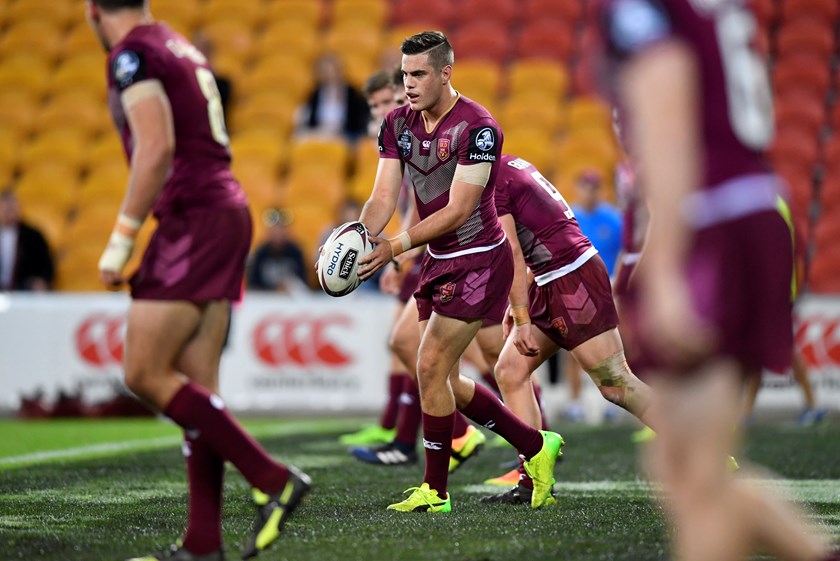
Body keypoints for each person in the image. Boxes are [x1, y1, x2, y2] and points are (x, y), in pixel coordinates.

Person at [598, 1, 837, 560]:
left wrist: (665, 271)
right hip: (742, 209)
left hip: (711, 219)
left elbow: (668, 117)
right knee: (682, 464)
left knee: (697, 475)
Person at [86, 2, 309, 560]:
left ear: (93, 10)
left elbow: (156, 147)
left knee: (143, 371)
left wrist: (122, 238)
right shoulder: (178, 45)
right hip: (225, 210)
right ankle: (203, 544)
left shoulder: (133, 54)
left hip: (193, 217)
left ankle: (273, 478)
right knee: (198, 390)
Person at [355, 31, 563, 512]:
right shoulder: (396, 124)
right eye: (405, 74)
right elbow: (383, 197)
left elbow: (459, 208)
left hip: (478, 258)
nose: (408, 84)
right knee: (442, 378)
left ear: (446, 73)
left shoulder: (478, 126)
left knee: (429, 364)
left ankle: (436, 491)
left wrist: (395, 248)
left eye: (419, 74)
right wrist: (358, 238)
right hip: (436, 258)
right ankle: (535, 445)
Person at [478, 155, 658, 504]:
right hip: (550, 278)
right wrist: (521, 303)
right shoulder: (512, 166)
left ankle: (704, 451)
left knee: (616, 384)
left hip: (571, 279)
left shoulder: (492, 179)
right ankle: (532, 481)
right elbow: (540, 235)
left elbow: (512, 250)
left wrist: (521, 314)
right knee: (511, 371)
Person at [345, 68, 489, 466]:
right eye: (375, 105)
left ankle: (511, 435)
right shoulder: (402, 134)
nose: (383, 110)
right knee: (419, 350)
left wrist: (399, 252)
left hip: (460, 251)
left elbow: (439, 207)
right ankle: (427, 438)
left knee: (491, 358)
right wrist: (367, 239)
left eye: (388, 101)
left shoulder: (439, 130)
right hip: (429, 249)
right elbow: (401, 201)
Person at [565, 169, 623, 420]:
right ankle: (575, 402)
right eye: (585, 187)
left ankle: (616, 401)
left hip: (608, 286)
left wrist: (618, 283)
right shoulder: (570, 217)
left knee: (613, 347)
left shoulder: (614, 219)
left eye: (594, 187)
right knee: (573, 347)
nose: (590, 192)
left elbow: (625, 252)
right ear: (578, 188)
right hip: (578, 288)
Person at [295, 53, 370, 142]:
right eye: (325, 72)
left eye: (333, 71)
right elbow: (309, 120)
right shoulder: (315, 94)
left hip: (346, 134)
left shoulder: (353, 94)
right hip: (320, 133)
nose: (330, 75)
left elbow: (360, 121)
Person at [0, 190, 55, 292]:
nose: (9, 212)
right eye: (6, 208)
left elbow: (46, 267)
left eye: (12, 208)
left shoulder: (33, 236)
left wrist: (40, 281)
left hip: (23, 289)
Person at [247, 208, 308, 293]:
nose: (278, 233)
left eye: (282, 229)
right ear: (268, 231)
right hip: (266, 298)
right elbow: (253, 286)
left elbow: (303, 283)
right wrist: (275, 289)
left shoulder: (296, 252)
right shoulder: (260, 254)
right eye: (275, 229)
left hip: (290, 298)